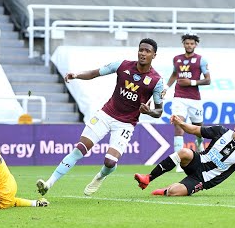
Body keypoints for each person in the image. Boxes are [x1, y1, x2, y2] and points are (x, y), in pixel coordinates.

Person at [36, 38, 164, 197]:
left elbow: (159, 111)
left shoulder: (156, 81)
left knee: (110, 162)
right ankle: (49, 183)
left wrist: (149, 112)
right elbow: (95, 73)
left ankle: (100, 176)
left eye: (147, 51)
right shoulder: (122, 65)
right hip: (106, 114)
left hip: (125, 124)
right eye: (141, 50)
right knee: (80, 149)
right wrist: (76, 75)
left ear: (154, 55)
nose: (143, 53)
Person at [134, 114, 235, 196]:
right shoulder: (221, 131)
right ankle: (148, 178)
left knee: (174, 192)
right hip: (197, 161)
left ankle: (167, 190)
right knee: (185, 152)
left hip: (204, 179)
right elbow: (194, 130)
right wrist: (180, 123)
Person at [162, 33, 211, 172]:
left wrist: (191, 82)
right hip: (179, 97)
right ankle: (179, 162)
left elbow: (208, 80)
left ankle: (199, 143)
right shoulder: (176, 59)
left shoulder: (201, 60)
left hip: (195, 99)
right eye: (187, 43)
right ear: (183, 44)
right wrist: (166, 88)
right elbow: (174, 75)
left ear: (195, 45)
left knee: (199, 130)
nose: (189, 45)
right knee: (178, 126)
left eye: (192, 43)